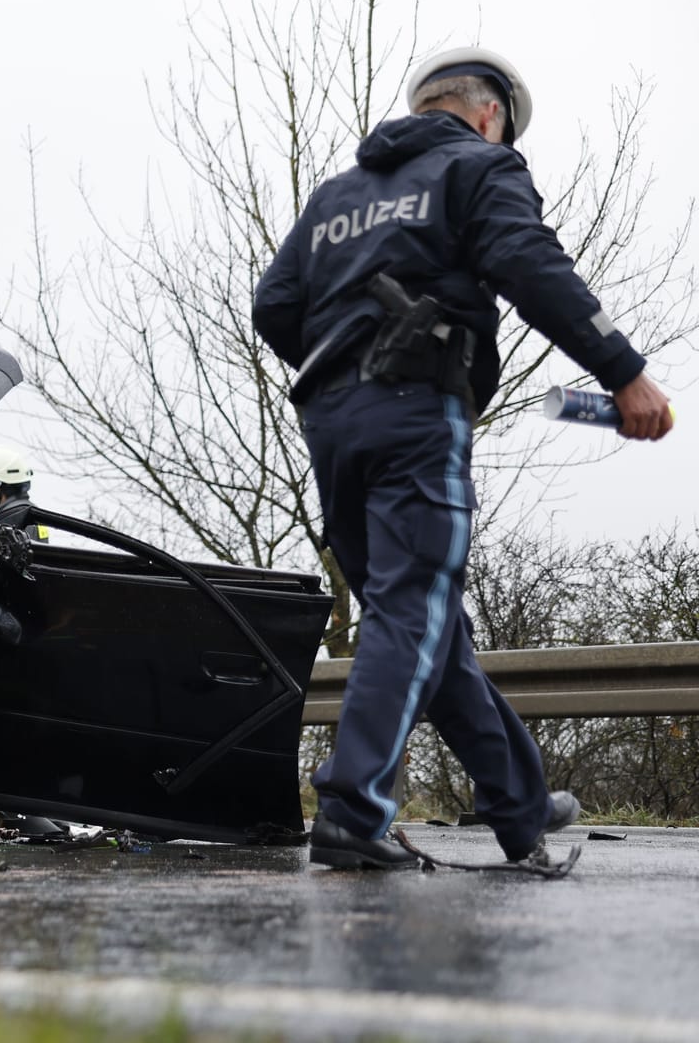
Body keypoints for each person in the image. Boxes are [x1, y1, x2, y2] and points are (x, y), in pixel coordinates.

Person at [251, 47, 674, 870]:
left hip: (331, 423)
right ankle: (352, 809)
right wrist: (623, 374)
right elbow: (530, 265)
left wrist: (344, 355)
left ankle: (517, 803)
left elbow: (274, 304)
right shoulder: (480, 166)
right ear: (491, 113)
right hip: (415, 409)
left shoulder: (338, 196)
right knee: (413, 607)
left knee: (427, 623)